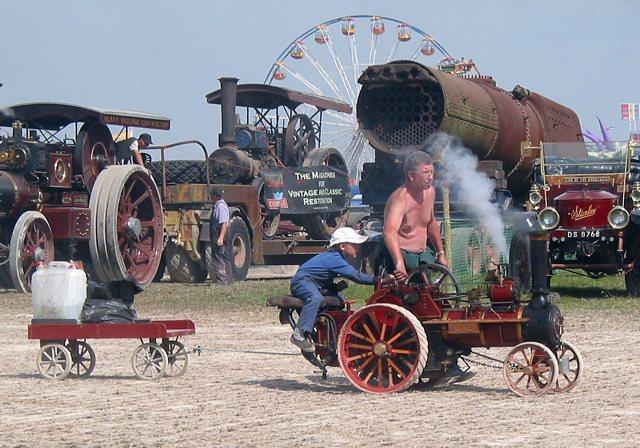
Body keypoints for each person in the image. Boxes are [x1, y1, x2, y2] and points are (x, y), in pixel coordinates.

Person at [382, 150, 475, 384]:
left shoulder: (430, 192)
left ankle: (451, 355)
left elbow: (431, 222)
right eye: (425, 173)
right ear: (411, 175)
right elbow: (389, 232)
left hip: (424, 254)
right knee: (424, 307)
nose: (430, 177)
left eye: (432, 172)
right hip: (404, 255)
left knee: (450, 296)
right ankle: (433, 361)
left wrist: (441, 253)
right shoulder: (399, 198)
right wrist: (399, 262)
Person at [290, 227, 390, 352]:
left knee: (340, 299)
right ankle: (299, 334)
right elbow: (356, 276)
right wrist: (379, 280)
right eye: (354, 245)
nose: (358, 248)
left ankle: (327, 328)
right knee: (315, 298)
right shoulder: (334, 259)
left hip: (314, 283)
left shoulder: (335, 257)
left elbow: (320, 276)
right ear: (342, 246)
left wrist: (334, 287)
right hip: (302, 282)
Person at [209, 186, 233, 284]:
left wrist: (220, 238)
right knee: (222, 255)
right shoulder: (217, 205)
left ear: (214, 196)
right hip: (218, 233)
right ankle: (228, 279)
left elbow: (224, 223)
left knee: (219, 256)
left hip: (220, 234)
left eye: (211, 195)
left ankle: (223, 279)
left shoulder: (221, 206)